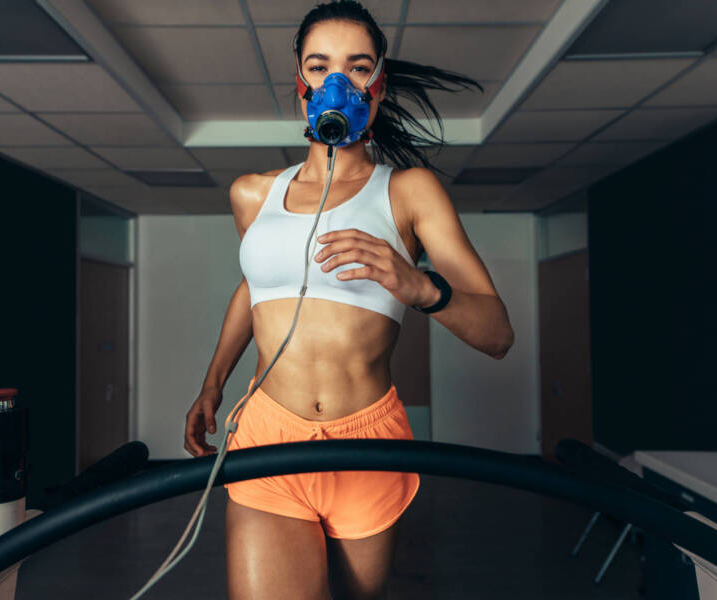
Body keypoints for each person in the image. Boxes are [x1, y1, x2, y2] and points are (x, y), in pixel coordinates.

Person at [184, 2, 515, 598]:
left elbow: (497, 335)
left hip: (368, 439)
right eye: (320, 65)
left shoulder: (410, 191)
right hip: (268, 435)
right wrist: (213, 382)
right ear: (301, 82)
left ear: (378, 83)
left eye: (358, 66)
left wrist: (420, 287)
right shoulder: (253, 193)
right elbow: (257, 286)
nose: (338, 82)